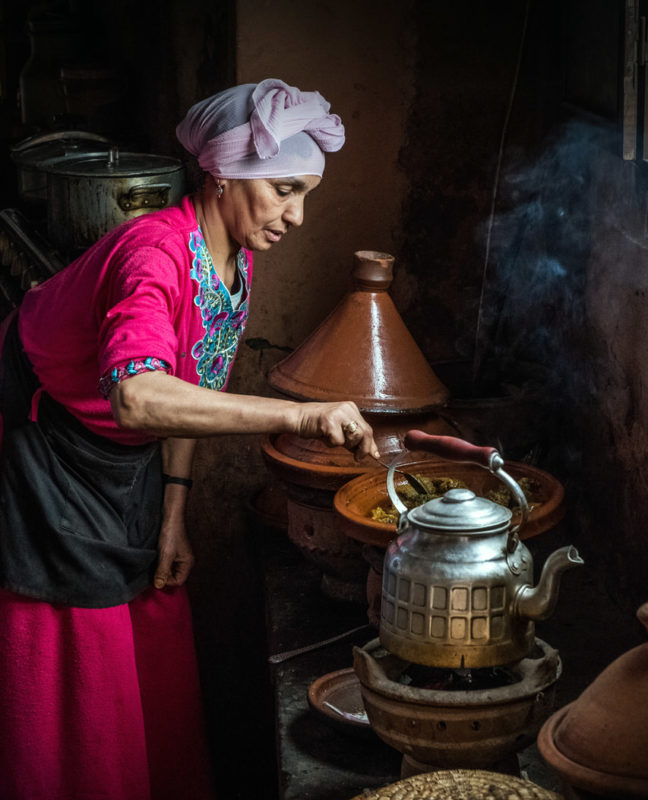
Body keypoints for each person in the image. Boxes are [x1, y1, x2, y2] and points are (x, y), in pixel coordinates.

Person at [0, 78, 379, 800]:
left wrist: (174, 510)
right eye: (284, 191)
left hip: (121, 463)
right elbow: (138, 394)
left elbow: (189, 388)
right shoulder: (156, 254)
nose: (297, 216)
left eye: (305, 195)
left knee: (153, 623)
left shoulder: (234, 256)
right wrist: (295, 415)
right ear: (223, 175)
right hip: (45, 452)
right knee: (78, 663)